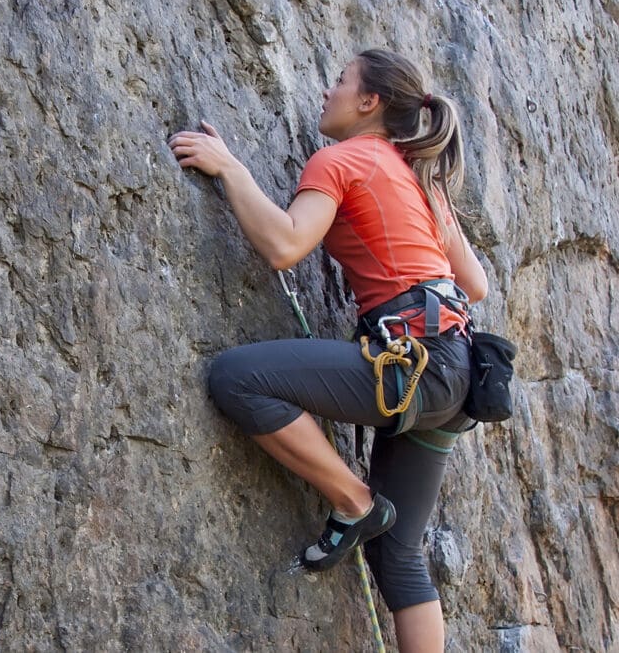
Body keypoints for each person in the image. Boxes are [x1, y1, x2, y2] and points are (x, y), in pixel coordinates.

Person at [169, 48, 489, 653]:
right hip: (458, 374)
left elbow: (286, 245)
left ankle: (353, 500)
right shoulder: (418, 175)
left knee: (238, 378)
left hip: (414, 366)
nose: (327, 91)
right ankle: (366, 512)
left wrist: (231, 168)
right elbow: (475, 285)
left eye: (339, 81)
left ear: (368, 102)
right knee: (400, 555)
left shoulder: (342, 160)